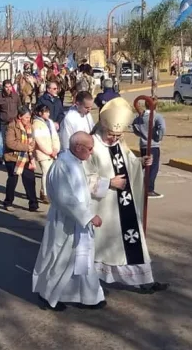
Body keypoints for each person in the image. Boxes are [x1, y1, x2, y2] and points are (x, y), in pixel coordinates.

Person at [83, 97, 167, 294]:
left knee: (134, 243)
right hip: (104, 208)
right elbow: (84, 177)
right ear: (104, 128)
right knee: (104, 248)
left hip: (125, 204)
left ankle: (145, 280)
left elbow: (129, 163)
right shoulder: (91, 146)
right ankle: (93, 284)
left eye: (118, 135)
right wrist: (109, 183)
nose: (115, 139)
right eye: (112, 134)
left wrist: (141, 161)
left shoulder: (119, 143)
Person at [32, 131, 106, 311]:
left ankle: (90, 297)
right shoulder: (62, 165)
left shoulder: (75, 162)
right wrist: (88, 216)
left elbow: (82, 186)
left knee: (84, 259)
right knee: (60, 260)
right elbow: (65, 197)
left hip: (79, 222)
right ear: (78, 147)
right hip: (65, 223)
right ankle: (48, 295)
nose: (91, 152)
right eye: (89, 148)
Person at [4, 106, 39, 212]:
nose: (28, 120)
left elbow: (32, 139)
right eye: (26, 117)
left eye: (29, 117)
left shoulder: (29, 127)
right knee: (12, 180)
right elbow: (10, 143)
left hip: (27, 157)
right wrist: (25, 147)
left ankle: (33, 203)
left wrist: (32, 145)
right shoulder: (11, 126)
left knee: (30, 179)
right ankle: (8, 202)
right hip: (13, 157)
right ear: (20, 117)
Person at [132, 105, 166, 199]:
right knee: (153, 168)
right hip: (153, 146)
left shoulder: (140, 116)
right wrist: (158, 137)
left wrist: (139, 134)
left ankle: (141, 187)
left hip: (143, 145)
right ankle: (149, 190)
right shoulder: (157, 116)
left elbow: (132, 125)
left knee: (145, 166)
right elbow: (162, 128)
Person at [32, 104, 60, 205]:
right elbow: (39, 141)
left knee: (51, 173)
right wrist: (49, 152)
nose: (48, 113)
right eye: (46, 112)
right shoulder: (36, 124)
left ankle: (44, 190)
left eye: (48, 112)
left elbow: (55, 136)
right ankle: (45, 194)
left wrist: (56, 148)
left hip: (53, 151)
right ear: (40, 113)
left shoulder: (50, 122)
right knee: (46, 173)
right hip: (43, 153)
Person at [0, 79, 20, 164]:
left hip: (14, 122)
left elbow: (19, 107)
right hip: (3, 122)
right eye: (6, 87)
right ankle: (2, 156)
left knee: (14, 140)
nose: (8, 89)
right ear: (3, 87)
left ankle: (13, 156)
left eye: (9, 87)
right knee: (3, 141)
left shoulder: (15, 96)